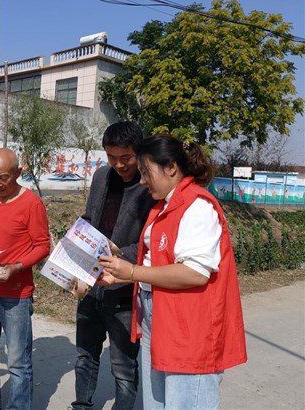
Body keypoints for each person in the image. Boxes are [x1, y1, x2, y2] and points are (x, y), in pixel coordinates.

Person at [100, 134, 248, 409]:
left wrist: (132, 272)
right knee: (158, 401)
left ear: (171, 168)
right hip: (158, 314)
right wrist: (118, 273)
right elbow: (155, 260)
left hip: (189, 323)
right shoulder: (164, 205)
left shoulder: (197, 206)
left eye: (146, 172)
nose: (142, 181)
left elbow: (194, 273)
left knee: (186, 401)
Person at [71, 122, 157, 410]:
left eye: (126, 158)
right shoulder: (101, 177)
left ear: (139, 153)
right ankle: (81, 405)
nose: (119, 165)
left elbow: (149, 243)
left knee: (123, 367)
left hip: (124, 289)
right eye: (112, 157)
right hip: (92, 281)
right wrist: (75, 245)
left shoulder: (149, 187)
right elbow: (89, 218)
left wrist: (119, 255)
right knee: (85, 356)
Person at [0, 147, 51, 410]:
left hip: (16, 293)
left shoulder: (31, 204)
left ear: (18, 172)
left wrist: (15, 268)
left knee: (17, 361)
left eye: (3, 177)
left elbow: (42, 246)